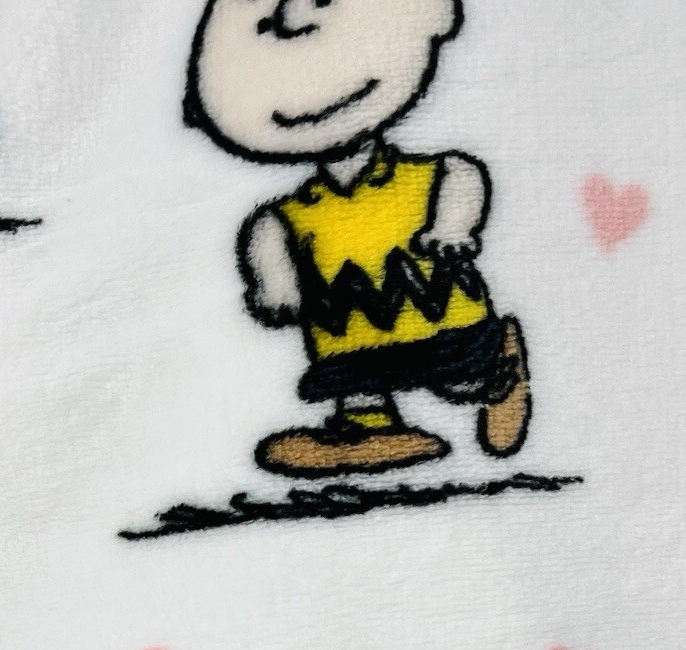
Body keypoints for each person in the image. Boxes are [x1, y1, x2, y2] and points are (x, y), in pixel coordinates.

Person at [185, 0, 532, 478]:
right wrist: (278, 289)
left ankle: (497, 378)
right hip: (345, 334)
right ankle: (368, 428)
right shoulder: (291, 214)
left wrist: (452, 228)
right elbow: (269, 240)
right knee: (357, 381)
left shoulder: (420, 176)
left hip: (441, 310)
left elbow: (459, 176)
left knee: (459, 376)